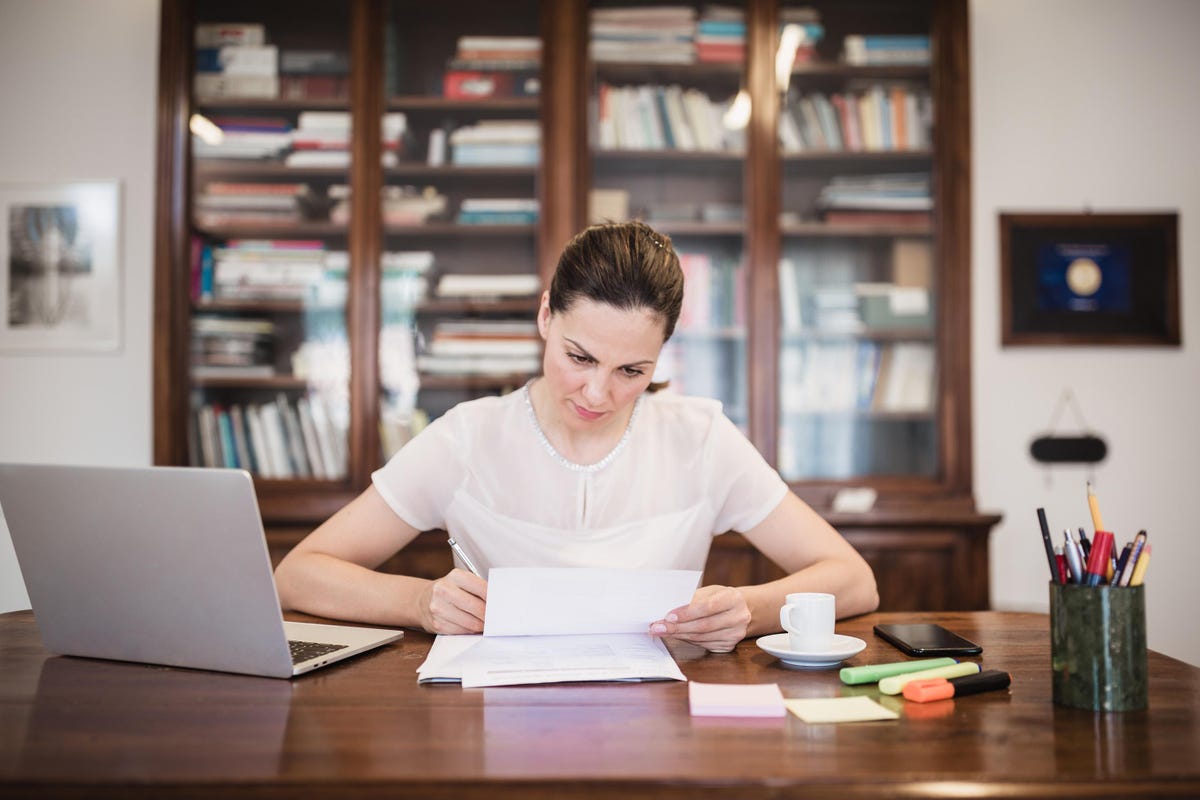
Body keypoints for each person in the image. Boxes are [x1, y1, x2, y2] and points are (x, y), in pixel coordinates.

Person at [275, 220, 878, 653]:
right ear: (546, 316)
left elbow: (853, 580)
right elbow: (297, 576)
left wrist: (750, 611)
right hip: (497, 719)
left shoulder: (699, 439)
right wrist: (418, 603)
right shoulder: (465, 438)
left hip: (659, 722)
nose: (597, 394)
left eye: (631, 371)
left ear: (661, 355)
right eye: (580, 357)